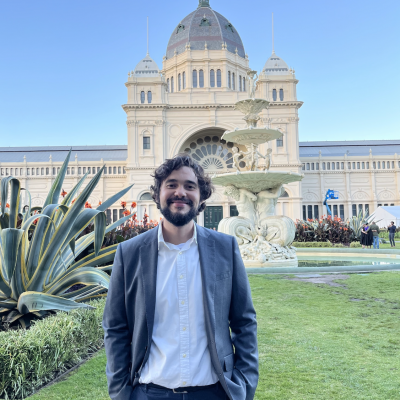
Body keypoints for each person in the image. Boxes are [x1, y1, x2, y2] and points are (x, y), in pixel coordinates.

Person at [103, 154, 259, 400]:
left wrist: (245, 383)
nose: (180, 192)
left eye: (190, 186)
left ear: (201, 196)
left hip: (214, 392)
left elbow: (244, 321)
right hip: (149, 392)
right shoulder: (130, 253)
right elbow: (115, 327)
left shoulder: (225, 248)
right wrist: (121, 392)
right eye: (172, 184)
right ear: (157, 194)